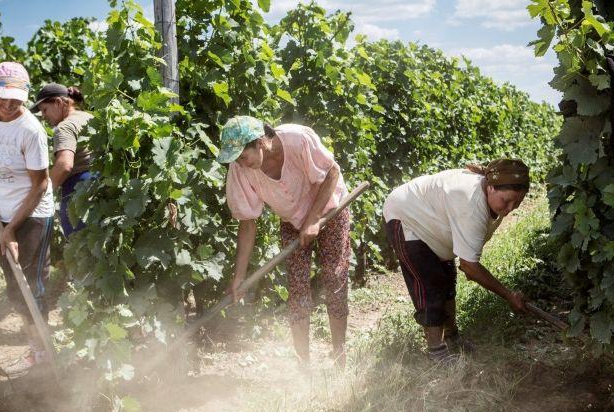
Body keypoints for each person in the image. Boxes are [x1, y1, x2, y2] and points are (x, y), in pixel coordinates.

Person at [218, 116, 351, 367]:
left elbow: (332, 172)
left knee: (334, 277)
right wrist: (240, 277)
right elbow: (247, 222)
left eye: (242, 156)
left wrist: (313, 219)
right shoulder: (240, 170)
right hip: (292, 219)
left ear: (259, 143)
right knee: (297, 289)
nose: (240, 163)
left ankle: (340, 356)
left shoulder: (298, 139)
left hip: (331, 210)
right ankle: (304, 367)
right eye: (236, 159)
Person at [383, 159, 530, 363]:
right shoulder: (469, 201)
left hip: (434, 220)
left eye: (517, 202)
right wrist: (509, 295)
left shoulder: (491, 198)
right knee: (431, 285)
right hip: (406, 216)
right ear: (491, 188)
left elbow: (466, 260)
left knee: (448, 280)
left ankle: (452, 338)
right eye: (506, 201)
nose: (510, 208)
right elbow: (469, 267)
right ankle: (437, 353)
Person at [0, 61, 54, 371]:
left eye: (17, 99)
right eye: (3, 97)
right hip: (0, 210)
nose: (9, 105)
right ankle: (37, 348)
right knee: (14, 285)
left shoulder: (30, 131)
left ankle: (44, 354)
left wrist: (12, 229)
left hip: (31, 215)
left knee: (30, 285)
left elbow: (40, 185)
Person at [31, 83, 93, 237]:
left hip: (78, 188)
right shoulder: (90, 117)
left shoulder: (65, 127)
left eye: (45, 110)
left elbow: (64, 165)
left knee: (80, 248)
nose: (43, 116)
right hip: (100, 185)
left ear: (58, 102)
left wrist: (43, 194)